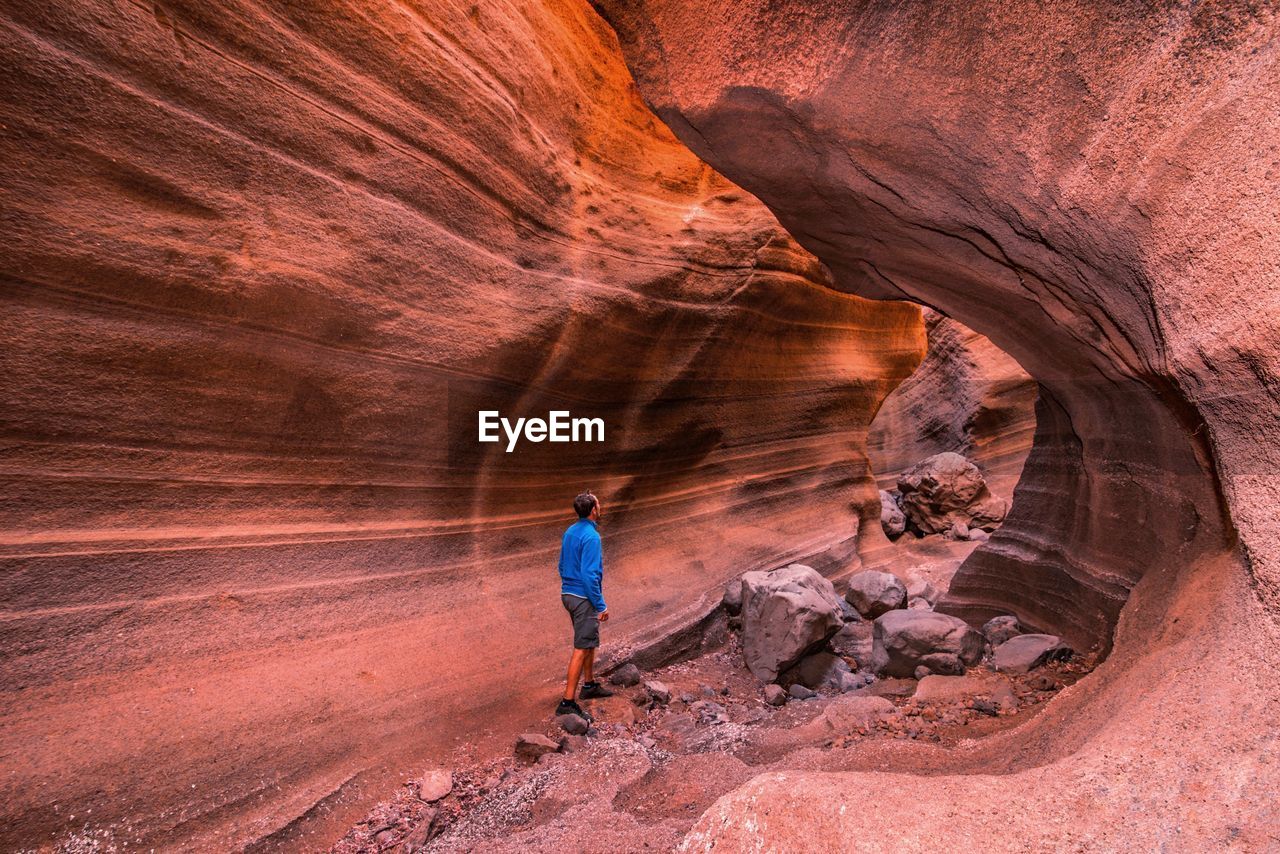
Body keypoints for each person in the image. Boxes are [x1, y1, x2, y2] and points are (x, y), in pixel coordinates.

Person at [555, 490, 613, 720]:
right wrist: (600, 605)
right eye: (598, 504)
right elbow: (590, 574)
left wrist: (570, 585)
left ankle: (589, 685)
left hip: (569, 594)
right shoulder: (591, 537)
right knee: (581, 646)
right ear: (593, 510)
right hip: (583, 598)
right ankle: (567, 702)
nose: (600, 507)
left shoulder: (570, 531)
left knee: (588, 641)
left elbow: (561, 565)